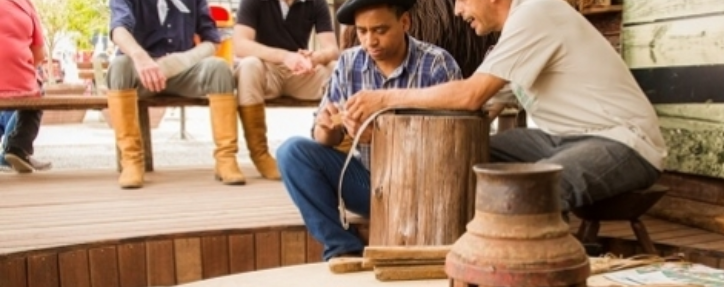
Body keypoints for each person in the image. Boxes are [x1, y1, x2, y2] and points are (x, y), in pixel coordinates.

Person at [344, 0, 667, 213]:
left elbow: (470, 95)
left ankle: (536, 277)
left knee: (533, 189)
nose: (457, 10)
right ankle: (454, 248)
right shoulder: (514, 37)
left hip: (624, 141)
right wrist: (385, 125)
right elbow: (475, 111)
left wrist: (385, 98)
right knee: (466, 153)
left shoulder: (536, 13)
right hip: (563, 139)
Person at [275, 0, 462, 260]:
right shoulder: (349, 63)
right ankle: (343, 248)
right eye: (362, 31)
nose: (369, 41)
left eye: (380, 30)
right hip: (372, 185)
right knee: (291, 152)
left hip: (425, 190)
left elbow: (454, 149)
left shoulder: (437, 65)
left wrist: (381, 139)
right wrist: (328, 128)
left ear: (405, 22)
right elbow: (323, 137)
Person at [107, 0, 244, 189]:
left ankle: (226, 159)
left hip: (182, 70)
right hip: (142, 72)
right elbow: (118, 29)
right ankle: (131, 161)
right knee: (119, 66)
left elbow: (212, 41)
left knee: (219, 67)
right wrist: (141, 58)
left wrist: (177, 62)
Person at [232, 0, 341, 180]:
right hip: (266, 71)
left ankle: (336, 151)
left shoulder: (317, 3)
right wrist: (284, 56)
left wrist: (316, 57)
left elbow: (332, 49)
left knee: (337, 69)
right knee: (248, 65)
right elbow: (241, 45)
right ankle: (260, 156)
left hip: (301, 73)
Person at [0, 0, 53, 174]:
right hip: (19, 82)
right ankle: (17, 147)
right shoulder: (26, 5)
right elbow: (39, 54)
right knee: (35, 95)